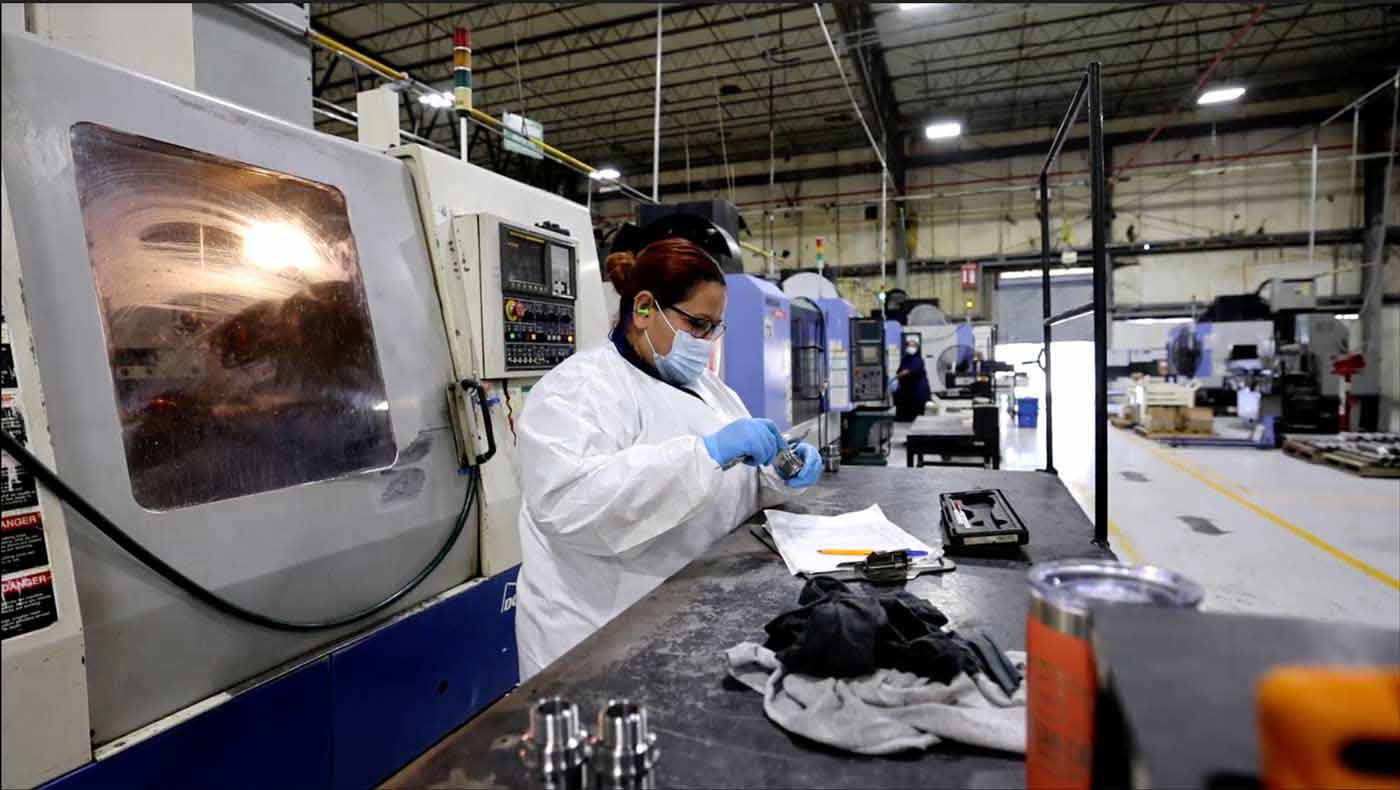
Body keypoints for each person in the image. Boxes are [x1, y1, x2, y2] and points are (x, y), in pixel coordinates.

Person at [512, 232, 824, 679]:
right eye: (698, 325)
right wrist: (707, 454)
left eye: (715, 328)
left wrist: (776, 472)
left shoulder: (707, 388)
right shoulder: (577, 391)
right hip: (595, 638)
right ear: (643, 309)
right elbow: (571, 506)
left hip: (682, 620)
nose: (707, 340)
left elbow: (734, 484)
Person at [892, 338, 931, 422]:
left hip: (917, 392)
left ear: (917, 348)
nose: (910, 347)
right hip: (907, 392)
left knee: (916, 418)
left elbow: (910, 371)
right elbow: (899, 371)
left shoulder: (918, 360)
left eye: (913, 346)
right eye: (909, 345)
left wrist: (902, 373)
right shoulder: (905, 359)